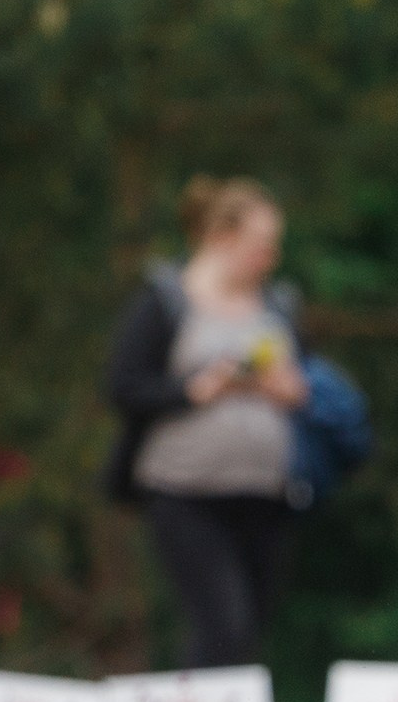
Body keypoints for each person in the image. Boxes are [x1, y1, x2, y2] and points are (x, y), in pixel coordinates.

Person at [104, 178, 309, 669]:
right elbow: (122, 386)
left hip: (265, 496)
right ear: (222, 237)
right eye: (262, 246)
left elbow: (307, 384)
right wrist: (193, 390)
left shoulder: (278, 307)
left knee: (251, 626)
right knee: (222, 621)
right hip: (184, 493)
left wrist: (288, 387)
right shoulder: (165, 301)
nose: (270, 258)